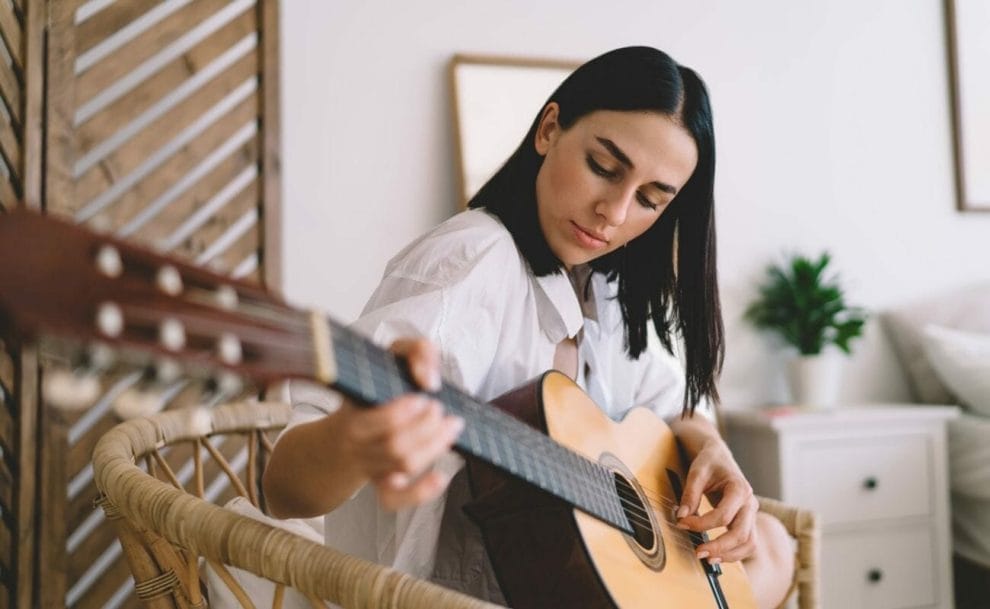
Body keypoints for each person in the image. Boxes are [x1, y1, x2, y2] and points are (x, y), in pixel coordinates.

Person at [263, 46, 795, 608]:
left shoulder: (602, 286)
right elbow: (284, 488)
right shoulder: (470, 262)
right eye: (603, 168)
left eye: (649, 200)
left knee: (773, 544)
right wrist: (354, 436)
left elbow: (670, 398)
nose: (613, 213)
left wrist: (712, 447)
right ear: (549, 129)